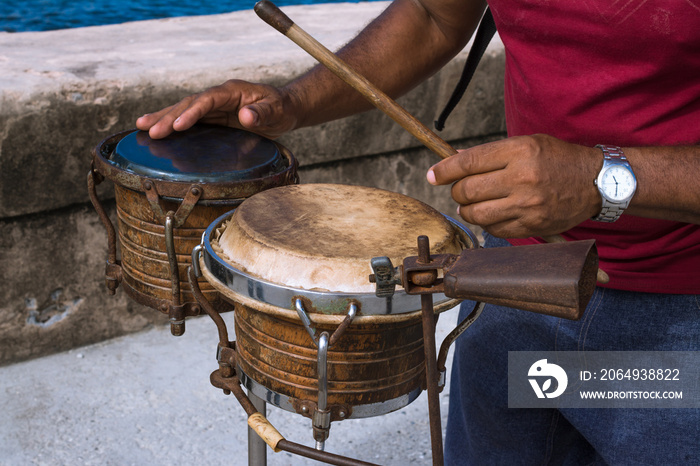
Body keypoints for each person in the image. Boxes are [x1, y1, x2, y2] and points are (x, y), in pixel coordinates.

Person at [137, 0, 700, 463]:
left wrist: (603, 179)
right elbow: (434, 17)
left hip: (676, 314)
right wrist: (294, 103)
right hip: (515, 279)